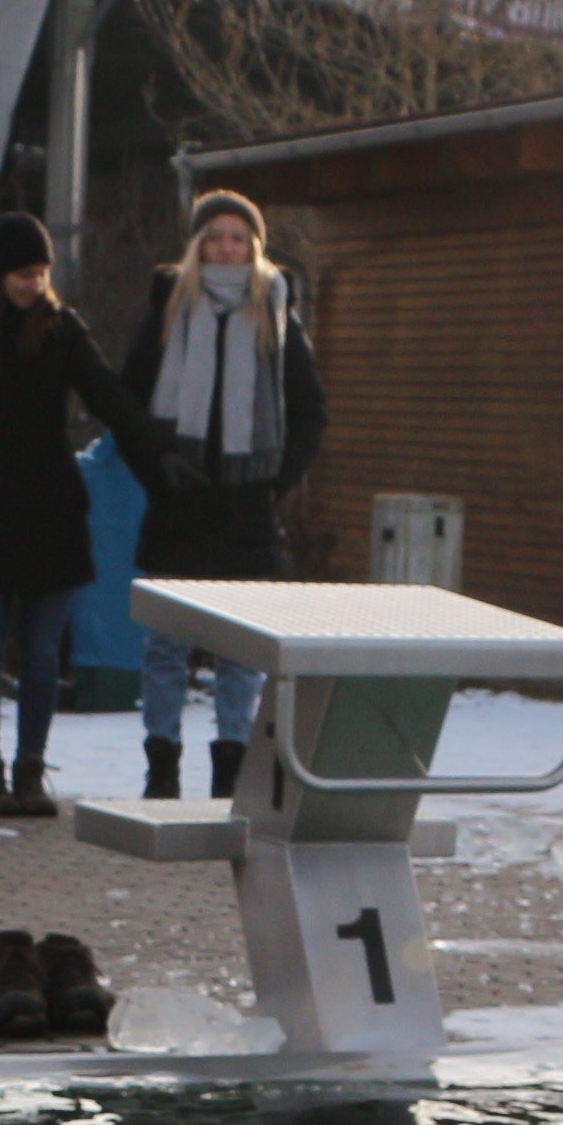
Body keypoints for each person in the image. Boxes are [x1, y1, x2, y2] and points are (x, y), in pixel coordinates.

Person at [0, 212, 137, 817]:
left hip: (54, 509)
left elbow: (106, 393)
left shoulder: (62, 330)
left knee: (42, 651)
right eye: (21, 274)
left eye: (40, 274)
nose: (32, 285)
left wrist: (156, 438)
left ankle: (30, 769)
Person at [117, 189, 327, 801]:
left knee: (241, 654)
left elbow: (311, 410)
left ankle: (230, 769)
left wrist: (275, 481)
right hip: (178, 502)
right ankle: (162, 766)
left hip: (244, 507)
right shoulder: (168, 306)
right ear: (197, 245)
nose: (226, 248)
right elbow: (126, 402)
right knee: (166, 648)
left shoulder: (276, 310)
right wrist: (157, 467)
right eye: (215, 237)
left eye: (238, 237)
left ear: (254, 246)